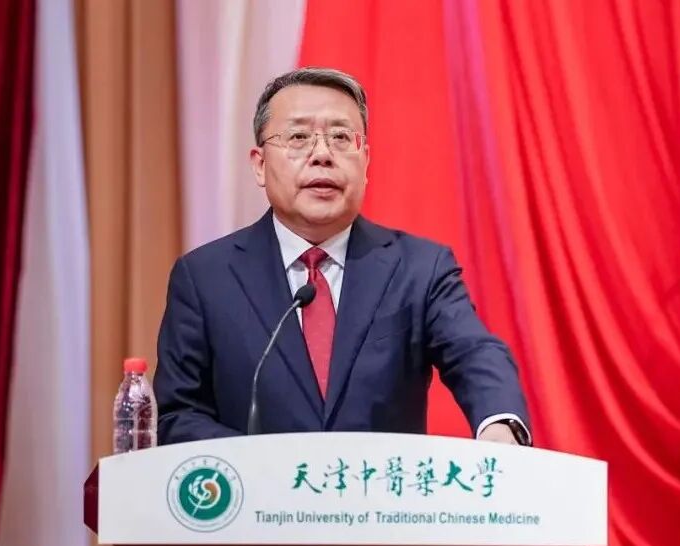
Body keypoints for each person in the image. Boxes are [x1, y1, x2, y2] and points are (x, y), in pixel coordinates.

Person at [154, 67, 531, 446]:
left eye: (340, 138)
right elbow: (179, 415)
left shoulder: (420, 269)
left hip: (379, 484)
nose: (322, 154)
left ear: (365, 161)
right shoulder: (205, 278)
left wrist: (499, 422)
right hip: (257, 485)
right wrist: (265, 466)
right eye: (298, 137)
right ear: (260, 164)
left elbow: (474, 353)